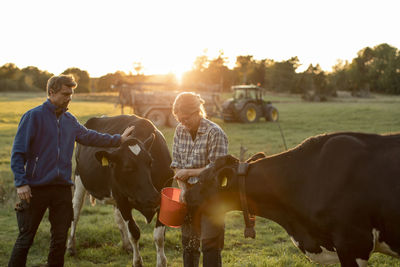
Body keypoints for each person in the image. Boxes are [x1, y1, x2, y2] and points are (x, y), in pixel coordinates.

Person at [8, 74, 135, 267]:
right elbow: (18, 153)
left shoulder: (70, 120)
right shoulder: (33, 117)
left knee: (59, 241)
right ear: (51, 93)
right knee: (26, 239)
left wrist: (118, 139)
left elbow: (90, 137)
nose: (69, 98)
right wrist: (21, 182)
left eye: (71, 94)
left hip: (62, 190)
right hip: (35, 189)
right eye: (65, 94)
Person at [171, 92, 228, 267]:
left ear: (197, 112)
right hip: (189, 196)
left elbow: (218, 170)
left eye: (186, 118)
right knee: (189, 245)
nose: (182, 123)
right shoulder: (180, 131)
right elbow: (176, 164)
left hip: (212, 197)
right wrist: (183, 189)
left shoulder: (215, 133)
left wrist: (190, 172)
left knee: (210, 245)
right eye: (179, 119)